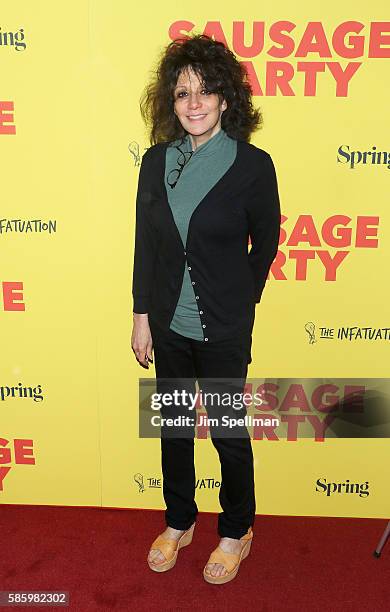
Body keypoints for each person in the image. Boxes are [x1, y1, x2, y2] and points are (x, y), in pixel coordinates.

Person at [131, 33, 281, 584]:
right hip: (167, 324)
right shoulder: (155, 162)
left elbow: (265, 242)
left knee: (225, 431)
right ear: (170, 103)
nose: (193, 104)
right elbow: (146, 243)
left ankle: (236, 529)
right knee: (172, 426)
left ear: (225, 99)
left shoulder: (252, 165)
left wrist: (244, 298)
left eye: (206, 91)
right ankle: (178, 521)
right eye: (182, 93)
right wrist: (141, 315)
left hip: (221, 327)